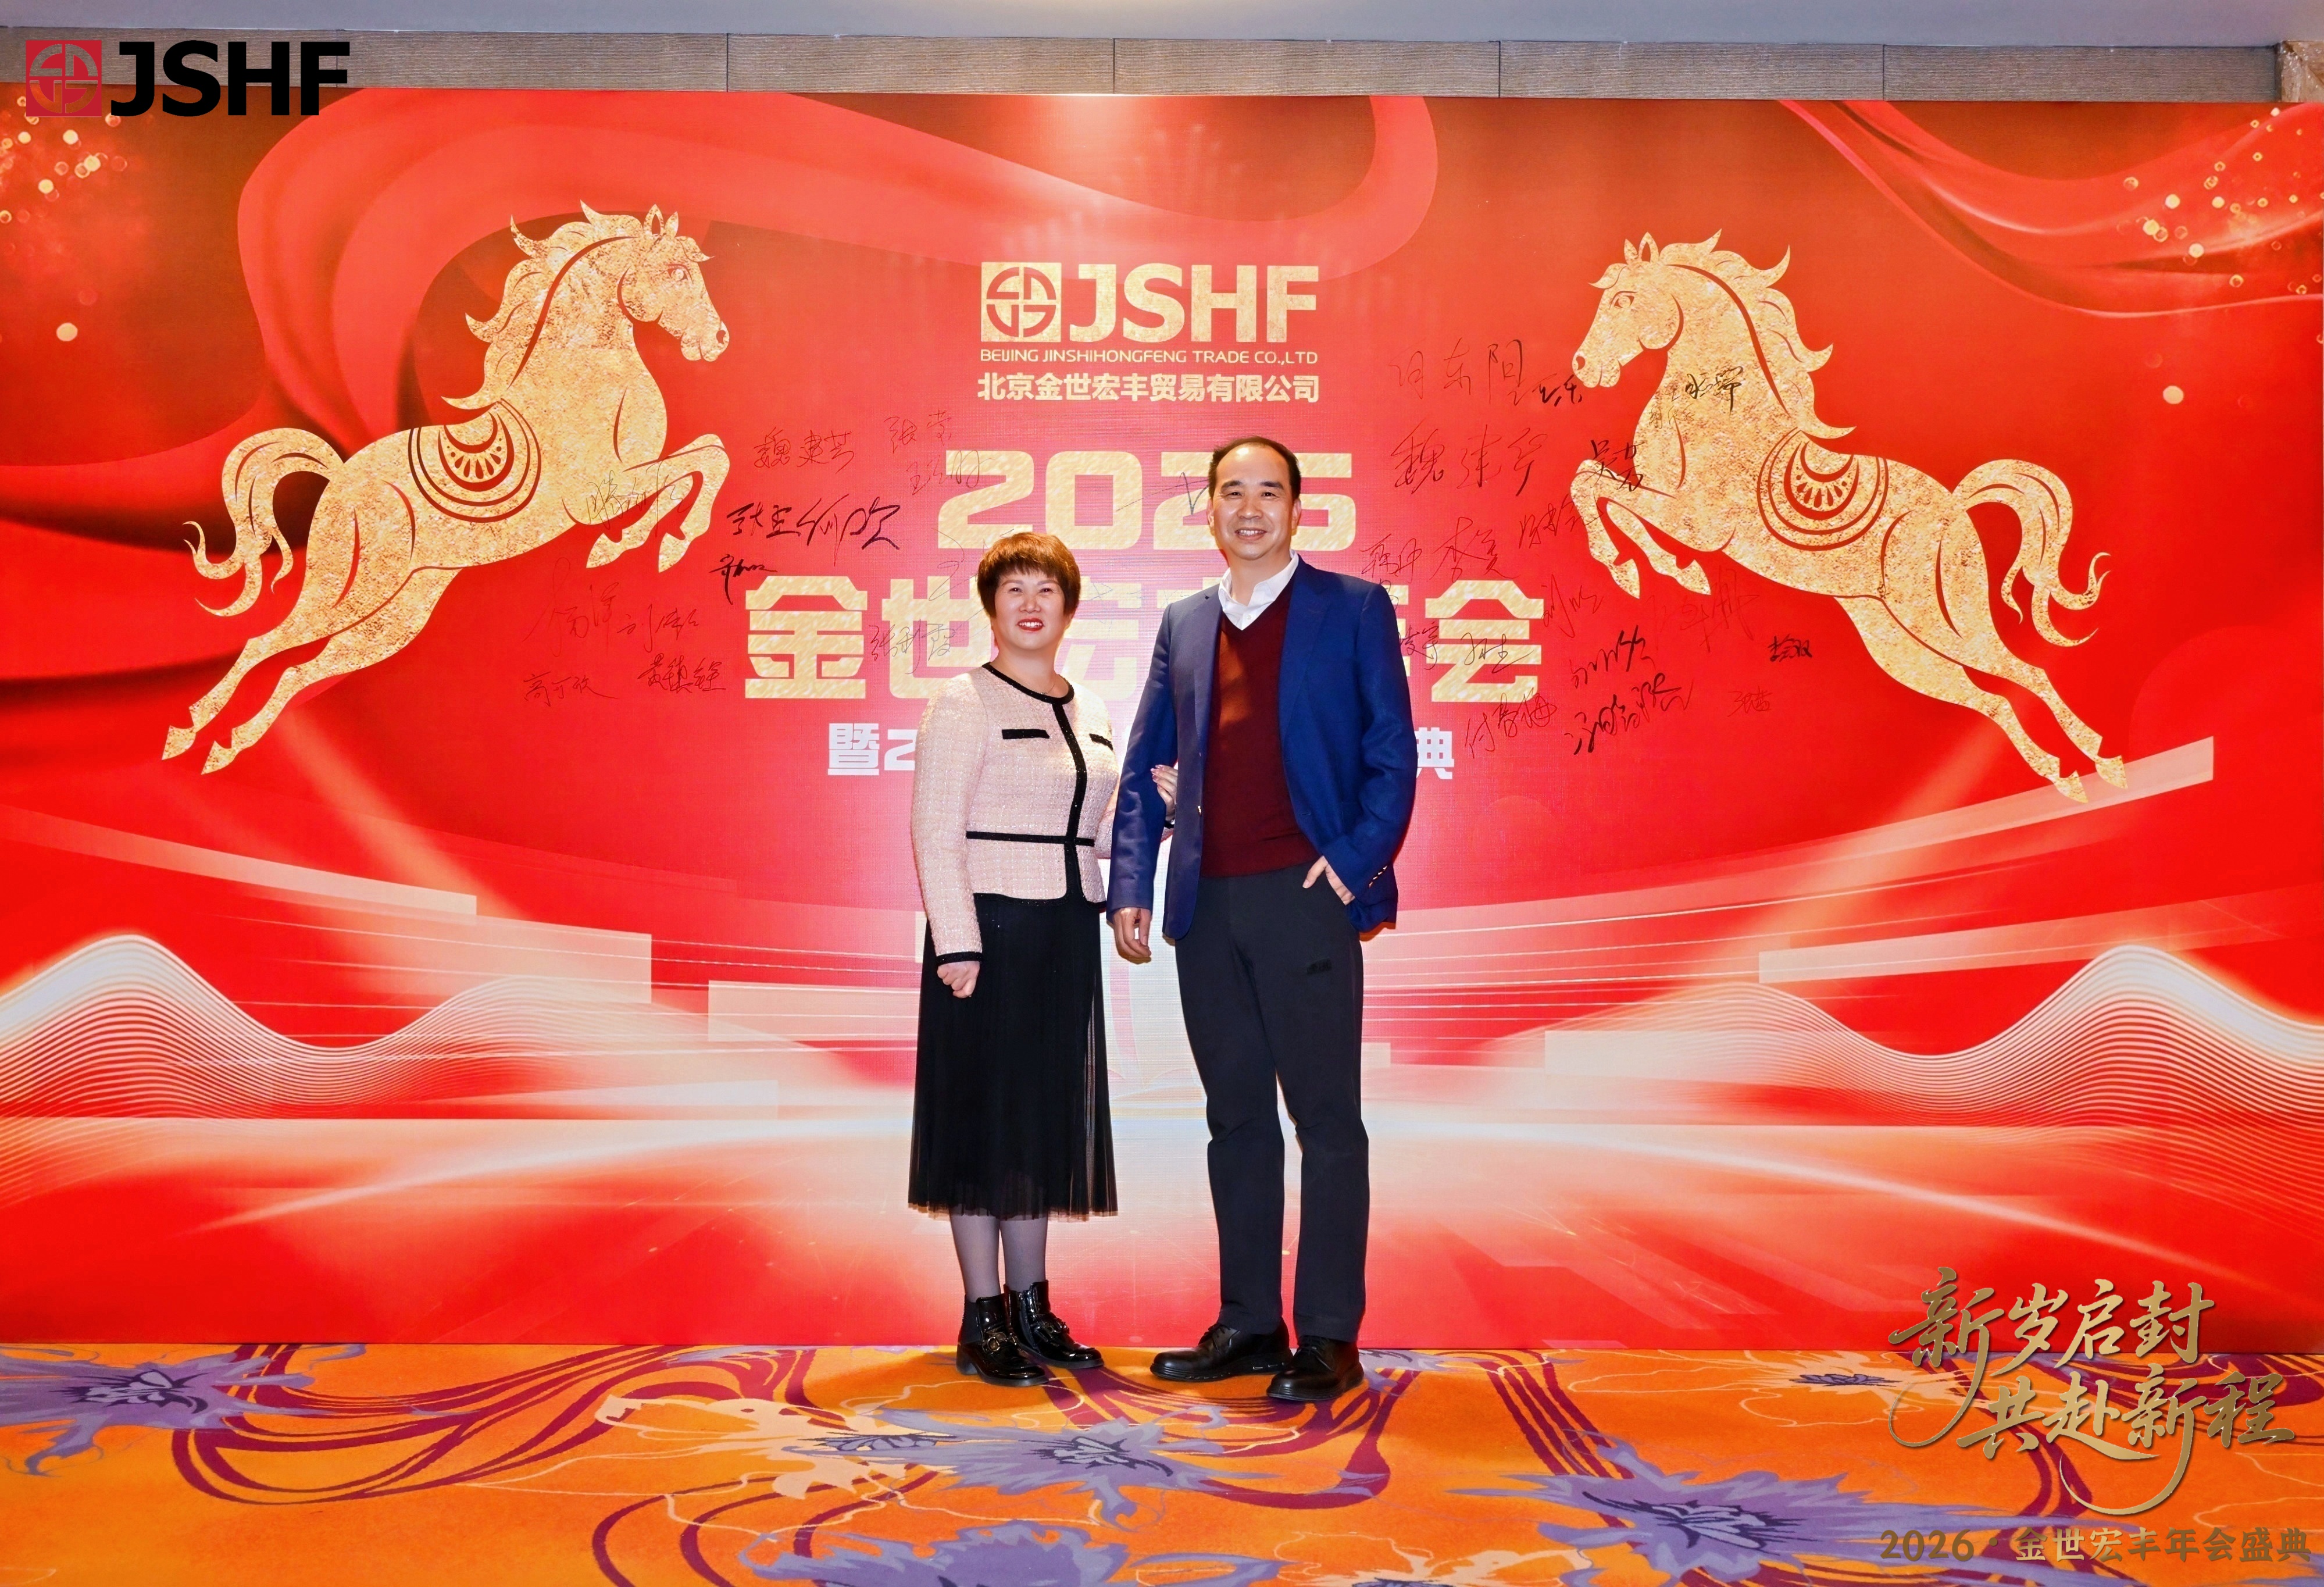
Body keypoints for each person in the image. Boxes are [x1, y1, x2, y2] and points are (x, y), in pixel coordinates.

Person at [1107, 436, 1418, 1403]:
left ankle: (1327, 1333)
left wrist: (1350, 865)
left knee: (1326, 1122)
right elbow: (1145, 763)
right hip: (1208, 903)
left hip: (1303, 895)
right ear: (1207, 507)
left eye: (1268, 492)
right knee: (1234, 1118)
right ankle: (1247, 1322)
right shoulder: (1184, 621)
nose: (1250, 508)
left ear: (1296, 507)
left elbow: (1392, 753)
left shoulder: (1352, 608)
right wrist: (1131, 883)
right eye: (1232, 491)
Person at [909, 531, 1120, 1386]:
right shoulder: (963, 701)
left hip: (1065, 930)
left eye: (1046, 590)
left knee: (1039, 1124)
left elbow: (1098, 824)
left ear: (1069, 607)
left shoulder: (1092, 706)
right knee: (980, 1127)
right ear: (991, 607)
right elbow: (934, 830)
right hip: (988, 935)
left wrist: (1164, 815)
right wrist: (957, 941)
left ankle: (1033, 1307)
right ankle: (981, 1314)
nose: (1031, 605)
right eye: (1014, 590)